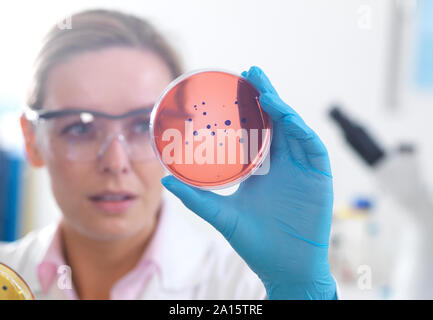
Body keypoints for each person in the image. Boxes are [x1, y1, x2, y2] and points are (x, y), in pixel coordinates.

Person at [0, 9, 337, 300]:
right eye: (80, 128)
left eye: (142, 127)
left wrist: (300, 291)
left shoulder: (246, 289)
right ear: (32, 140)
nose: (116, 163)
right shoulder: (8, 273)